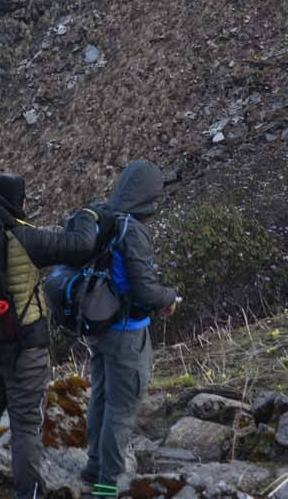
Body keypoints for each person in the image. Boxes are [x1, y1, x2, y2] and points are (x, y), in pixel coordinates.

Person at [0, 173, 103, 499]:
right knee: (25, 426)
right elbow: (80, 246)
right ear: (16, 202)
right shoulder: (23, 236)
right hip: (24, 347)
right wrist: (87, 216)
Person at [83, 159, 180, 499]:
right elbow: (145, 290)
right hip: (127, 330)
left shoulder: (104, 220)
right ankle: (107, 484)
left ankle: (93, 467)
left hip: (100, 326)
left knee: (101, 397)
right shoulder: (133, 230)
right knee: (122, 406)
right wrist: (171, 296)